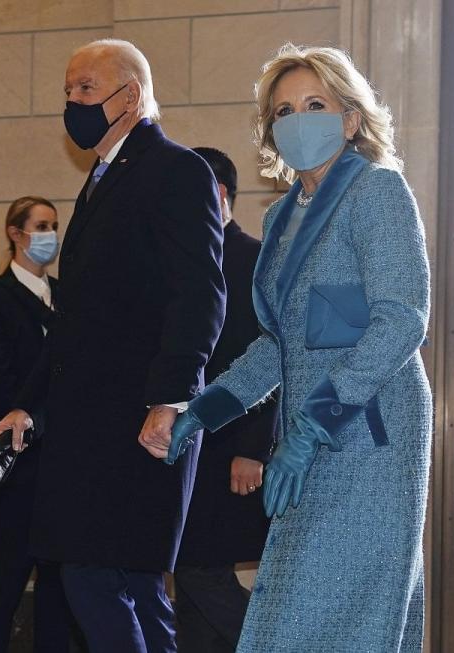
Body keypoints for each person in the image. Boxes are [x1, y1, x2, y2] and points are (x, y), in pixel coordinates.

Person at [160, 44, 431, 651]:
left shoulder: (377, 192)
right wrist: (204, 411)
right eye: (282, 111)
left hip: (371, 437)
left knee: (342, 611)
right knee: (293, 613)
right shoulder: (286, 215)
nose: (297, 120)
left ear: (351, 118)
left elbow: (401, 321)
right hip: (310, 441)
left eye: (314, 104)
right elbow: (277, 346)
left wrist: (311, 429)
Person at [0, 39, 227, 652]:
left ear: (134, 94)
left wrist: (173, 397)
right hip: (90, 421)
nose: (73, 102)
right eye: (68, 91)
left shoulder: (176, 169)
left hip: (137, 417)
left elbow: (199, 294)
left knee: (96, 573)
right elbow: (78, 319)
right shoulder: (102, 179)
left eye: (87, 89)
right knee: (123, 580)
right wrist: (29, 403)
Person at [172, 147, 277, 653]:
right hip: (191, 443)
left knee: (196, 567)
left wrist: (254, 448)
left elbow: (272, 356)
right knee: (190, 580)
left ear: (218, 194)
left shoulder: (253, 258)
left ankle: (271, 644)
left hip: (232, 447)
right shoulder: (188, 258)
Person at [0, 196, 76, 652]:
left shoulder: (66, 296)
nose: (49, 234)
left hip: (60, 465)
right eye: (40, 225)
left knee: (57, 581)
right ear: (15, 233)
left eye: (54, 225)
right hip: (18, 461)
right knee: (9, 575)